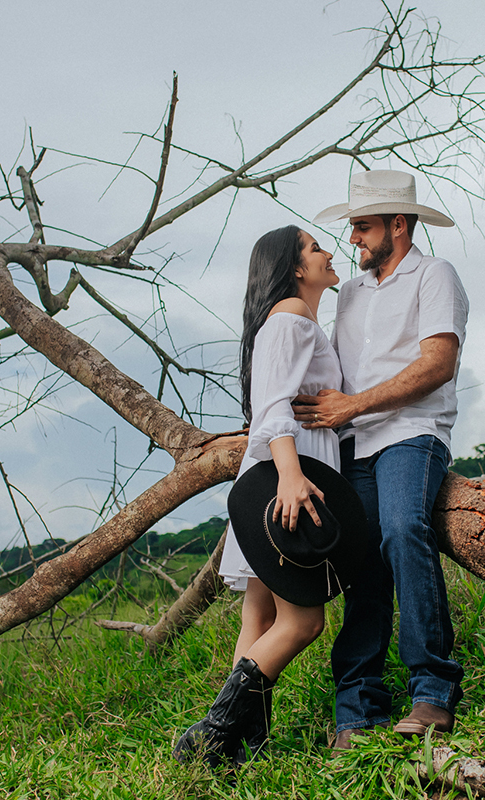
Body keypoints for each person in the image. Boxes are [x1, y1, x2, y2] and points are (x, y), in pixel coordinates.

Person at [294, 170, 470, 749]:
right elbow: (337, 371)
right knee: (359, 558)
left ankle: (433, 690)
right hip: (352, 443)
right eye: (351, 229)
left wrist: (354, 406)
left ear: (399, 225)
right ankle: (358, 709)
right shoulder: (350, 294)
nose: (354, 240)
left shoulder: (435, 274)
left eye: (363, 228)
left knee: (401, 529)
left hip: (411, 431)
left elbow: (437, 364)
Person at [173, 224, 358, 770]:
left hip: (280, 472)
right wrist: (291, 477)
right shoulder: (290, 316)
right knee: (304, 621)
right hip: (289, 476)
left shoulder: (293, 321)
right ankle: (211, 734)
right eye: (315, 247)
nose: (328, 252)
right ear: (296, 268)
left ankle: (233, 750)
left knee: (257, 617)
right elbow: (273, 408)